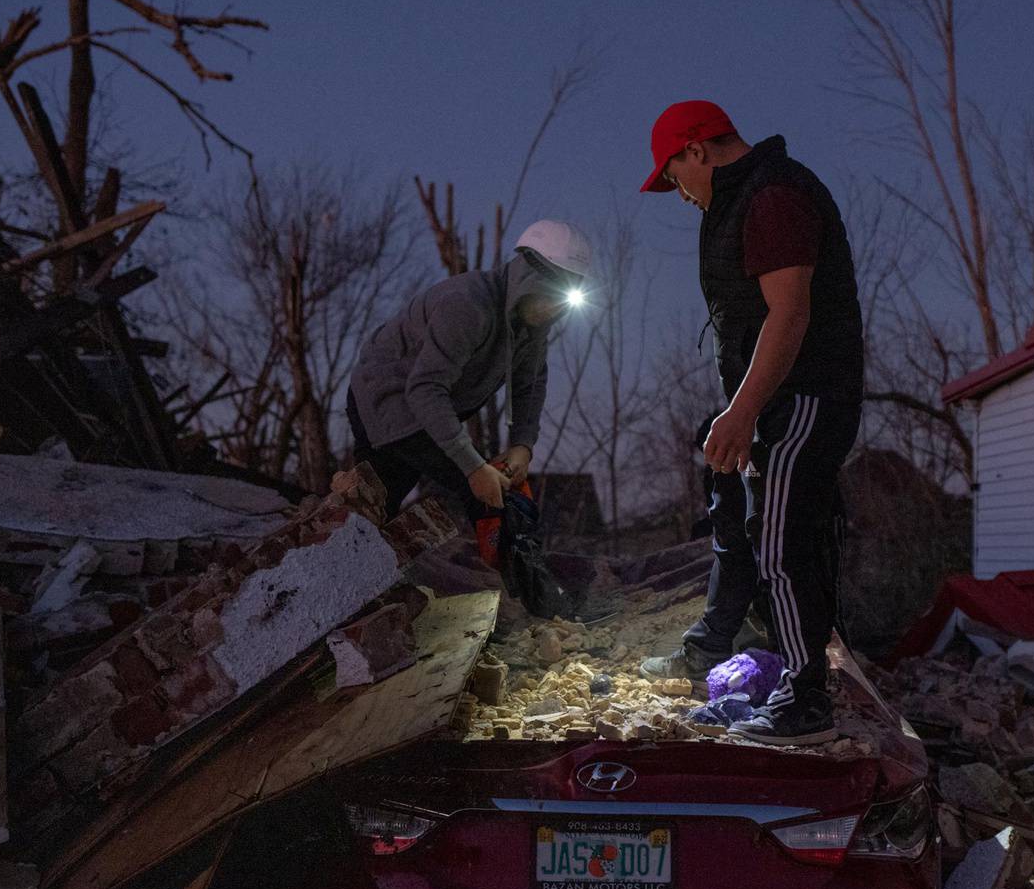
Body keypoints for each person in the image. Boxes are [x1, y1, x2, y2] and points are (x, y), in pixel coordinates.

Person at [637, 101, 864, 747]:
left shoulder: (774, 195)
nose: (679, 193)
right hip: (768, 398)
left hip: (807, 396)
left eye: (674, 176)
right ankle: (716, 644)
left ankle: (804, 700)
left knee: (784, 537)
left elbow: (789, 315)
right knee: (735, 516)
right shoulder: (739, 201)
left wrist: (741, 412)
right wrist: (735, 410)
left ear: (697, 150)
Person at [346, 220, 591, 524]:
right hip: (389, 396)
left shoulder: (532, 327)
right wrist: (473, 468)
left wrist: (522, 445)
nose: (554, 311)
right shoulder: (469, 305)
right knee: (480, 493)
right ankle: (507, 567)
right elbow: (424, 389)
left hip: (423, 410)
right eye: (550, 297)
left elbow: (529, 385)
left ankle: (348, 530)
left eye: (563, 303)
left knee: (376, 504)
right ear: (529, 278)